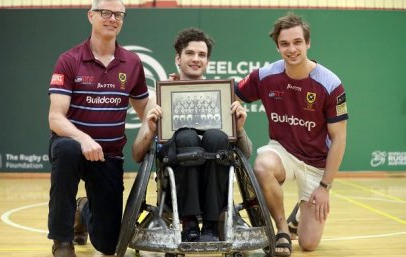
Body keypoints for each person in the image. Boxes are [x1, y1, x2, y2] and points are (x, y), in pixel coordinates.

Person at [235, 13, 348, 256]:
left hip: (316, 164)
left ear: (308, 43)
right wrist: (183, 85)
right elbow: (226, 94)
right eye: (285, 44)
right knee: (263, 165)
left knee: (308, 244)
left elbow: (339, 138)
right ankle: (283, 229)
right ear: (277, 47)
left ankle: (299, 215)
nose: (292, 49)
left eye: (297, 42)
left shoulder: (330, 84)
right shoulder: (265, 76)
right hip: (282, 151)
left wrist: (324, 187)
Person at [47, 0, 150, 256]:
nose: (112, 19)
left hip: (109, 156)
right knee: (68, 150)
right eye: (106, 13)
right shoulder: (69, 60)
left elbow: (145, 109)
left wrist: (164, 108)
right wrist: (84, 139)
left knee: (109, 246)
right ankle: (62, 240)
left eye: (119, 15)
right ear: (91, 16)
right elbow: (56, 118)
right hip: (74, 146)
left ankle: (84, 209)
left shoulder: (132, 63)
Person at [132, 28, 252, 242]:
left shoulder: (224, 96)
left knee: (216, 137)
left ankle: (211, 225)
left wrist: (240, 129)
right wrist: (151, 131)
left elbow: (247, 153)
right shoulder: (160, 97)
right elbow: (137, 154)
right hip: (177, 171)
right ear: (178, 58)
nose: (196, 59)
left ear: (207, 61)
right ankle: (189, 222)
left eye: (202, 55)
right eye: (190, 53)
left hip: (215, 174)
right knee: (185, 136)